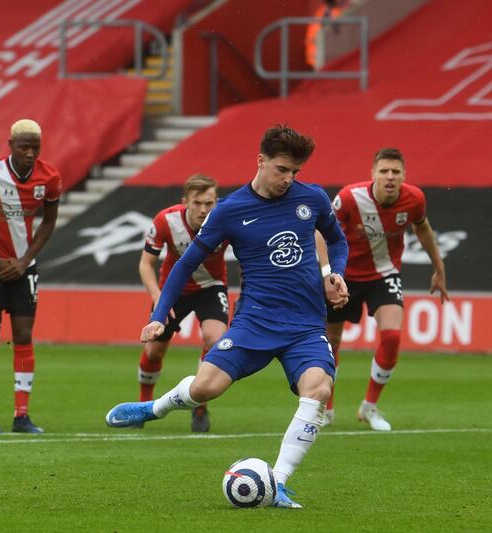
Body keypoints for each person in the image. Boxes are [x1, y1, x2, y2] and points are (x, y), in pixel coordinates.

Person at [105, 124, 350, 508]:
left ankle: (277, 482)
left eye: (295, 172)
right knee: (206, 388)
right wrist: (158, 314)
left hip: (305, 325)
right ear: (261, 161)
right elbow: (185, 264)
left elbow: (337, 239)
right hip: (254, 322)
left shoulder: (313, 199)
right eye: (282, 169)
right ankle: (153, 409)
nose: (288, 179)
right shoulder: (231, 210)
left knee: (318, 390)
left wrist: (335, 272)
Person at [317, 148, 449, 431]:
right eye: (384, 171)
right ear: (373, 174)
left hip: (384, 274)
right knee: (331, 343)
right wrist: (329, 273)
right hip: (345, 276)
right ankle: (325, 408)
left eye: (395, 172)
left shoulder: (414, 199)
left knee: (391, 336)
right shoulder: (350, 198)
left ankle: (369, 407)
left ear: (404, 175)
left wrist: (439, 268)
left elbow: (422, 228)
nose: (390, 177)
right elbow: (321, 231)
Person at [0, 119, 61, 434]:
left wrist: (24, 261)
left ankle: (21, 415)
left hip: (24, 267)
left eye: (36, 148)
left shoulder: (50, 177)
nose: (30, 153)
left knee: (22, 334)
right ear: (11, 145)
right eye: (24, 147)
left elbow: (48, 222)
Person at [136, 173, 229, 432]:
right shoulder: (166, 220)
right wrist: (157, 297)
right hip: (171, 290)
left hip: (211, 286)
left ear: (216, 202)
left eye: (208, 203)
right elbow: (146, 263)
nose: (203, 209)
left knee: (214, 339)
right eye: (197, 203)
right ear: (185, 201)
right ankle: (143, 405)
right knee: (155, 351)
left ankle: (200, 406)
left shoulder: (226, 219)